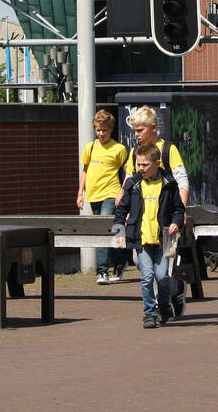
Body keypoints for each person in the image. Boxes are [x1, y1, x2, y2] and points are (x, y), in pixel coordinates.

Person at [123, 106, 190, 319]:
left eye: (140, 130)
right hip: (143, 220)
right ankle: (166, 296)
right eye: (134, 131)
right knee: (141, 263)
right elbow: (128, 180)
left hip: (166, 218)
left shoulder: (168, 149)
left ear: (153, 128)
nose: (137, 135)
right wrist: (123, 206)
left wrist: (181, 213)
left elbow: (182, 180)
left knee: (161, 270)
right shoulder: (135, 152)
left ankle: (168, 296)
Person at [114, 143, 186, 329]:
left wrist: (175, 223)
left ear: (157, 164)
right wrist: (120, 232)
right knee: (147, 277)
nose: (141, 169)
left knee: (162, 277)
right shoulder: (134, 184)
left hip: (162, 241)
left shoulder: (168, 184)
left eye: (145, 165)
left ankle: (164, 306)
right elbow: (121, 210)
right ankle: (149, 313)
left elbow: (178, 209)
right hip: (141, 240)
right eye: (139, 164)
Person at [79, 109, 128, 284]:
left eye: (104, 130)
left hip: (110, 193)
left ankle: (102, 271)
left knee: (102, 229)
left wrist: (122, 192)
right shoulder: (90, 147)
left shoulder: (119, 149)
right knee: (111, 230)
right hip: (93, 195)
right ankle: (122, 259)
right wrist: (80, 193)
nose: (101, 134)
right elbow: (85, 170)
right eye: (98, 130)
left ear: (111, 130)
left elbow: (127, 172)